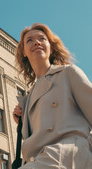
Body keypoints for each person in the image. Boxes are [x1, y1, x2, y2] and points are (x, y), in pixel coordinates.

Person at [12, 23, 92, 168]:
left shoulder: (68, 73)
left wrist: (83, 150)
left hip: (68, 155)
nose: (36, 42)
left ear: (51, 47)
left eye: (42, 39)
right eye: (29, 40)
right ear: (24, 51)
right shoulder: (28, 98)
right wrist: (22, 123)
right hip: (39, 159)